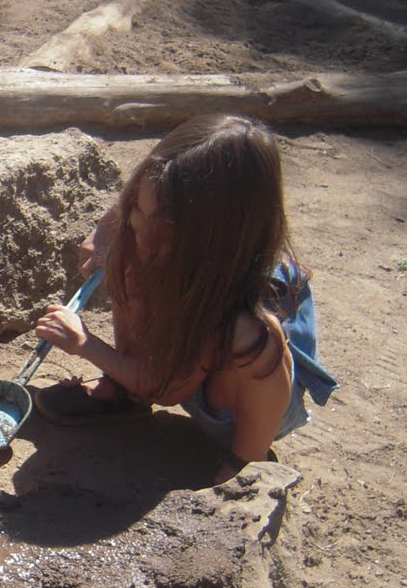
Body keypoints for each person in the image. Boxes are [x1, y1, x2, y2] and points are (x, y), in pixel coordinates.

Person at [31, 113, 336, 484]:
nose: (144, 239)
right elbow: (124, 216)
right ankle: (127, 386)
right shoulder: (155, 229)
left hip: (242, 398)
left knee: (255, 341)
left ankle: (244, 467)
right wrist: (105, 236)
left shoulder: (235, 315)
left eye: (163, 233)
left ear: (218, 239)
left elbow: (168, 389)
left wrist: (85, 344)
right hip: (180, 361)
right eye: (140, 217)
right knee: (123, 255)